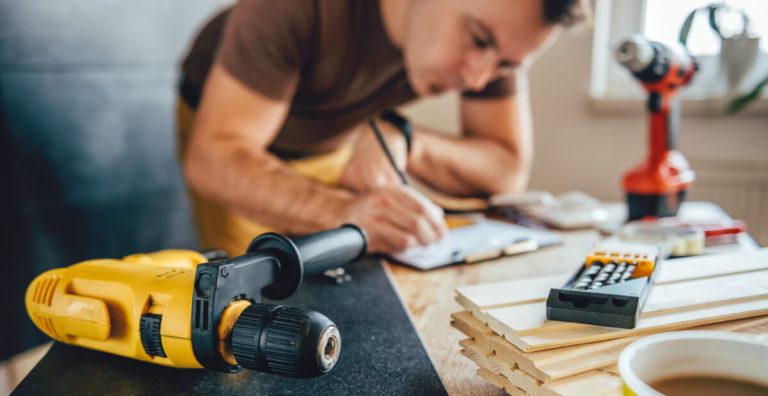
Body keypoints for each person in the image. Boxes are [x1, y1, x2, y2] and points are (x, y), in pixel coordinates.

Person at [178, 0, 586, 255]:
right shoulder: (289, 7)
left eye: (507, 65)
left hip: (335, 138)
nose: (479, 78)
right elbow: (213, 159)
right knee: (252, 299)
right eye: (478, 40)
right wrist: (345, 211)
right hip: (231, 141)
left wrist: (407, 139)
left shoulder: (501, 29)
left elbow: (505, 171)